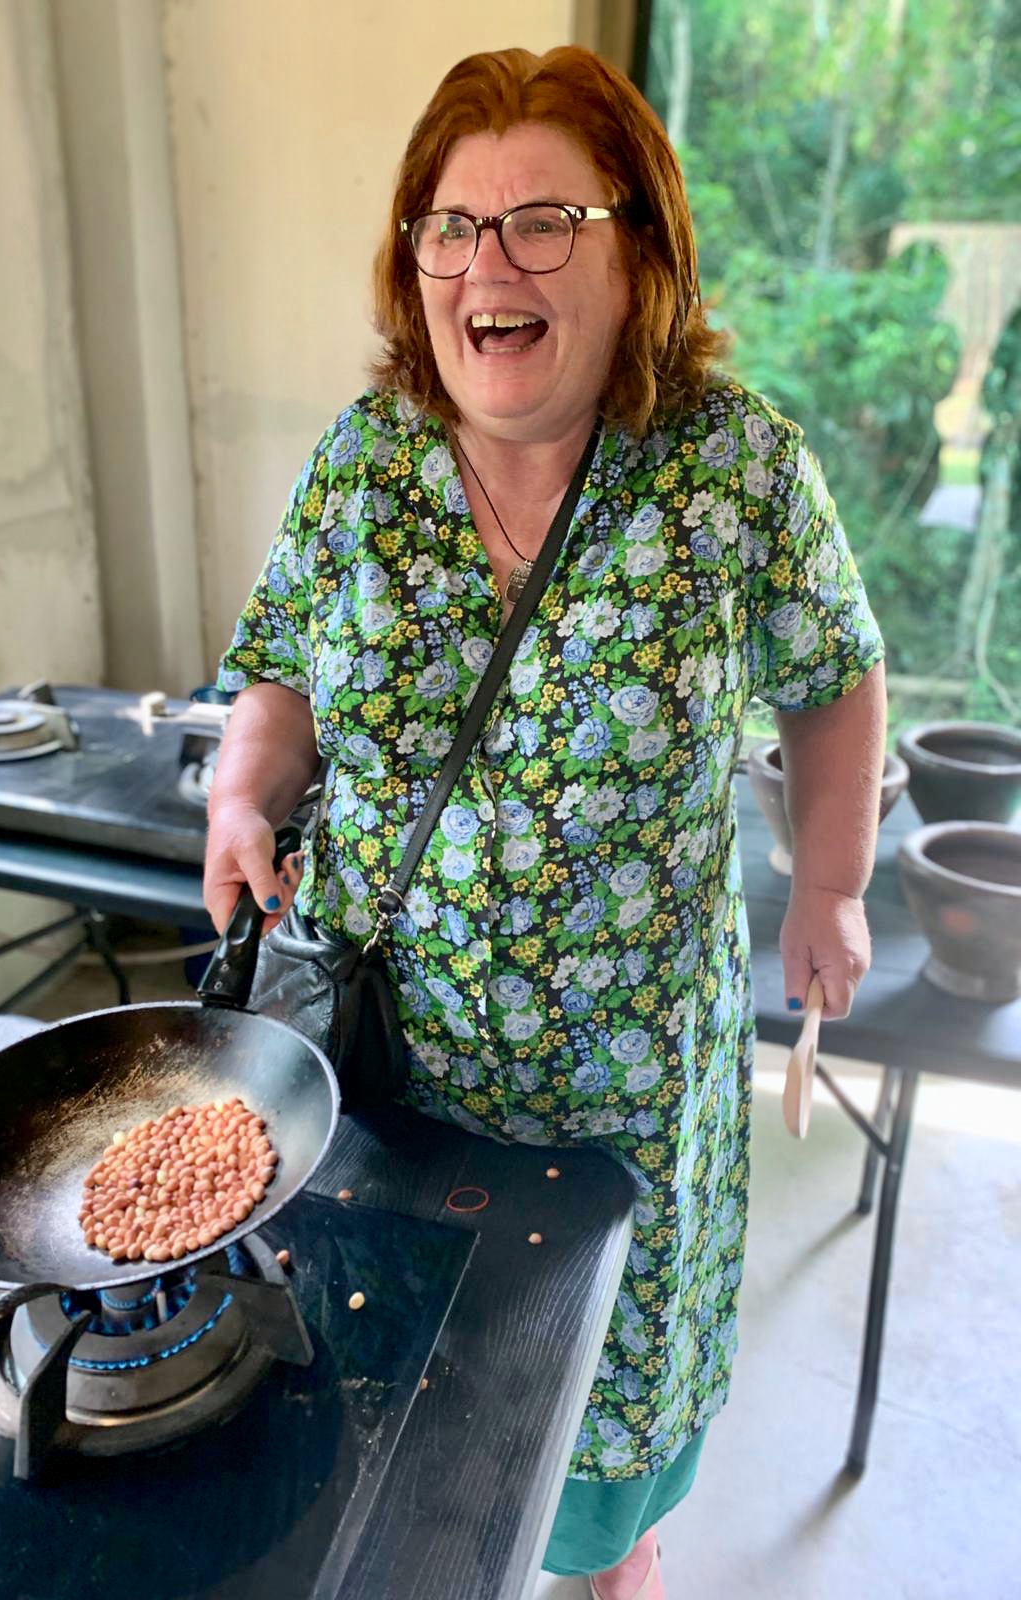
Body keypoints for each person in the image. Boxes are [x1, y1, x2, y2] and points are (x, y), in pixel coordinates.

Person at [204, 44, 887, 1600]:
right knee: (381, 1402)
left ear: (639, 250)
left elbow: (838, 679)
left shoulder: (733, 470)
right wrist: (245, 791)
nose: (487, 265)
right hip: (388, 1063)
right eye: (451, 227)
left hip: (620, 1099)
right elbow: (281, 671)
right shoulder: (364, 462)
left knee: (598, 1430)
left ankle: (612, 1561)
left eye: (541, 223)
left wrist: (831, 885)